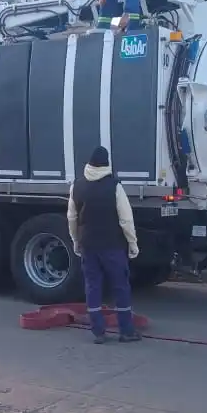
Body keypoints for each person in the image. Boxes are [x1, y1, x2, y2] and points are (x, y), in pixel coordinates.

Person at [67, 145, 142, 344]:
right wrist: (132, 243)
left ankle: (98, 332)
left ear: (89, 164)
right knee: (120, 286)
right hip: (113, 246)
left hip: (88, 246)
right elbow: (126, 220)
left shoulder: (77, 186)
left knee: (93, 286)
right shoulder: (115, 186)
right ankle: (126, 331)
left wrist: (76, 240)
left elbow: (72, 218)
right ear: (107, 164)